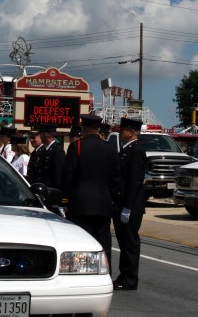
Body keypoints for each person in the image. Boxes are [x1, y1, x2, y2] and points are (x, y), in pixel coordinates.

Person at [61, 114, 121, 271]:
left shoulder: (77, 147)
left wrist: (64, 199)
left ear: (83, 128)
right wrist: (110, 198)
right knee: (103, 241)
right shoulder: (110, 149)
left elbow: (68, 176)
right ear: (98, 129)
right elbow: (116, 179)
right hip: (103, 203)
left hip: (80, 203)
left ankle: (81, 271)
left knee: (81, 241)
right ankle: (105, 271)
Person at [112, 117, 147, 291]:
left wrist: (127, 207)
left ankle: (129, 279)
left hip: (130, 207)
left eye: (123, 129)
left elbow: (134, 182)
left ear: (131, 132)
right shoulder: (126, 149)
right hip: (122, 203)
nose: (120, 132)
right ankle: (124, 275)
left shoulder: (136, 150)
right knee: (124, 244)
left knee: (129, 244)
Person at [27, 124, 65, 189]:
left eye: (41, 134)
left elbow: (58, 174)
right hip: (42, 188)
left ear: (46, 134)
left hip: (50, 189)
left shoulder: (57, 150)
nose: (40, 136)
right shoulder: (44, 149)